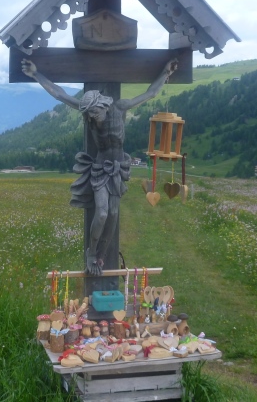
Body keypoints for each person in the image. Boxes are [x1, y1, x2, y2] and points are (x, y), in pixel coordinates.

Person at [21, 57, 178, 275]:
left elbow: (150, 93)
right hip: (101, 168)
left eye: (95, 113)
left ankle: (102, 255)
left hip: (118, 167)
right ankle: (91, 253)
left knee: (113, 213)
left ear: (102, 106)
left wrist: (165, 73)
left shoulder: (120, 108)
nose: (93, 118)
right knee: (102, 213)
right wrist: (36, 74)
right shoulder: (90, 114)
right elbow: (59, 94)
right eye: (89, 115)